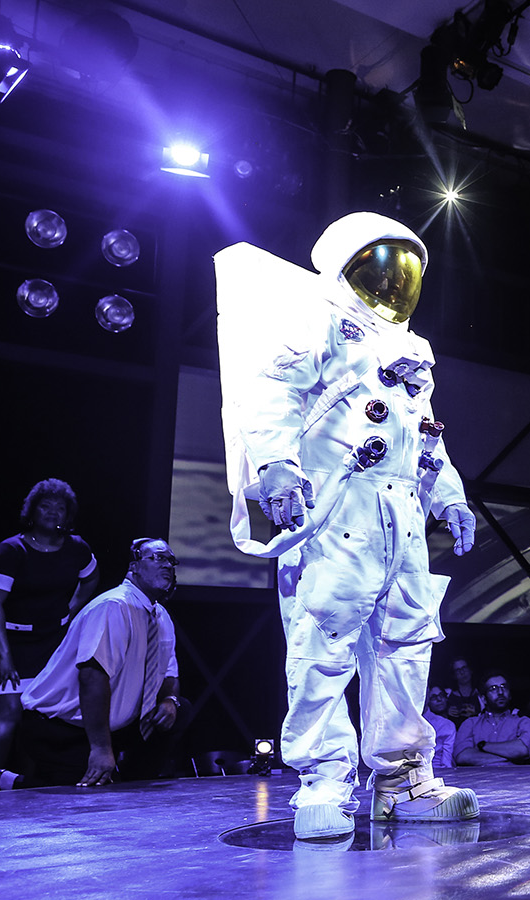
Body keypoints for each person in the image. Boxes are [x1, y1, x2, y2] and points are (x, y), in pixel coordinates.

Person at [216, 212, 480, 841]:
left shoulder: (412, 353)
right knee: (323, 645)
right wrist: (277, 466)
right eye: (380, 269)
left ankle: (402, 779)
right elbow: (272, 392)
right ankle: (324, 782)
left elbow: (426, 438)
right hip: (335, 509)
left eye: (403, 273)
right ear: (345, 268)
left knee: (405, 649)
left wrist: (451, 499)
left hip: (400, 516)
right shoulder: (318, 321)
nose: (392, 285)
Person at [15, 538, 182, 787]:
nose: (167, 565)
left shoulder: (160, 617)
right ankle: (8, 782)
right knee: (88, 798)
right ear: (134, 566)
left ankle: (135, 781)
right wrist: (101, 749)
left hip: (117, 727)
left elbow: (169, 673)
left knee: (181, 709)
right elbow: (92, 676)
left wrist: (170, 700)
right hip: (62, 728)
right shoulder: (114, 606)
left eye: (171, 560)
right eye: (158, 557)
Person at [0, 478, 100, 783]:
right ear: (32, 510)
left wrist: (70, 610)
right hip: (11, 642)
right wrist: (5, 656)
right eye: (46, 506)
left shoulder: (76, 547)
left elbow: (91, 578)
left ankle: (27, 787)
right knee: (9, 713)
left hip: (52, 642)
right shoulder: (12, 549)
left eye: (60, 508)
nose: (53, 512)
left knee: (40, 718)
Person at [453, 671, 530, 765]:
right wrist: (510, 757)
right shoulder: (470, 723)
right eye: (493, 688)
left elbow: (522, 749)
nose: (500, 692)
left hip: (514, 775)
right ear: (483, 699)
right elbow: (463, 756)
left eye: (504, 687)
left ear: (510, 695)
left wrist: (483, 746)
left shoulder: (523, 721)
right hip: (480, 774)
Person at [424, 685, 457, 769]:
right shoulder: (412, 721)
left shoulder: (448, 724)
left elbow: (446, 760)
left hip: (439, 770)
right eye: (433, 697)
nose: (439, 699)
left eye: (441, 695)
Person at [445, 657, 483, 725]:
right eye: (458, 670)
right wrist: (445, 712)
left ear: (470, 670)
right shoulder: (447, 694)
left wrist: (477, 713)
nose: (462, 672)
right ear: (454, 675)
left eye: (464, 668)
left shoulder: (481, 694)